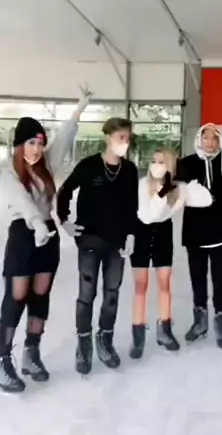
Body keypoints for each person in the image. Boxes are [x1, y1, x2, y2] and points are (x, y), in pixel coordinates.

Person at [0, 87, 92, 393]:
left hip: (47, 236)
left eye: (40, 143)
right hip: (23, 234)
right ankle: (3, 359)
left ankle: (32, 353)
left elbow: (64, 138)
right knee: (16, 296)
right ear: (19, 144)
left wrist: (79, 109)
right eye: (31, 142)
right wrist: (37, 223)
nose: (37, 148)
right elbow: (22, 201)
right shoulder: (7, 171)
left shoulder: (46, 165)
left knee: (40, 295)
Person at [56, 117, 138, 375]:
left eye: (127, 138)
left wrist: (131, 234)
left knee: (112, 292)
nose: (124, 142)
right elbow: (65, 191)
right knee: (87, 294)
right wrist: (65, 221)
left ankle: (105, 339)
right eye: (120, 137)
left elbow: (132, 205)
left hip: (117, 243)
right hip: (90, 240)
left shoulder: (129, 170)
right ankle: (84, 344)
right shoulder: (88, 166)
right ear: (107, 137)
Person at [175, 123, 222, 349]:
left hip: (220, 230)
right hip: (195, 232)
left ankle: (221, 323)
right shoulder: (186, 162)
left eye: (215, 139)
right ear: (199, 139)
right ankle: (199, 322)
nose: (210, 143)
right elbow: (175, 190)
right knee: (198, 279)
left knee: (221, 280)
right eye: (206, 138)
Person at [129, 148, 185, 359]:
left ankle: (165, 330)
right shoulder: (142, 184)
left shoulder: (176, 189)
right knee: (140, 285)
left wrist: (167, 190)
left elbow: (164, 213)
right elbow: (148, 215)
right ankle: (138, 334)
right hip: (141, 232)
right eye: (154, 161)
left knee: (164, 283)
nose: (156, 165)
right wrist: (161, 193)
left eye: (161, 162)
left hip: (163, 232)